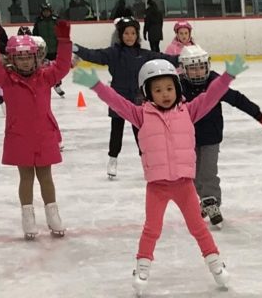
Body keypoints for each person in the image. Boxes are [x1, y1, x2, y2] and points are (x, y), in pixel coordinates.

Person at [72, 56, 249, 296]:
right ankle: (142, 266)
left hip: (184, 184)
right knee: (152, 229)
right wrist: (96, 85)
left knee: (198, 228)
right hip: (157, 187)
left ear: (177, 88)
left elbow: (211, 96)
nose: (165, 94)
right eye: (157, 90)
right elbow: (116, 102)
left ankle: (215, 263)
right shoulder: (140, 115)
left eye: (169, 88)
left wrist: (228, 76)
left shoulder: (189, 111)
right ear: (147, 92)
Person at [0, 19, 73, 240]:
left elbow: (62, 66)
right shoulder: (7, 80)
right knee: (26, 178)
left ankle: (53, 215)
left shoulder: (45, 78)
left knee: (46, 176)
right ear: (12, 59)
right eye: (19, 58)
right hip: (19, 136)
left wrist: (63, 41)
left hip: (44, 135)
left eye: (28, 57)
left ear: (36, 57)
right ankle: (28, 217)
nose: (24, 62)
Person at [73, 17, 181, 179]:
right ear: (120, 35)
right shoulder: (113, 53)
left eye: (133, 33)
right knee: (117, 130)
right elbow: (93, 55)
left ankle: (146, 161)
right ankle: (113, 159)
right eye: (126, 33)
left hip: (138, 99)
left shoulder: (143, 54)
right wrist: (76, 48)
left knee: (142, 131)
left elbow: (162, 57)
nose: (129, 36)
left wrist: (181, 59)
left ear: (137, 35)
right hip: (118, 97)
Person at [179, 44, 262, 229]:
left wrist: (259, 115)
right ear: (184, 69)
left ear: (208, 66)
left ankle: (212, 202)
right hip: (187, 138)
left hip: (211, 136)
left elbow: (237, 99)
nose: (198, 72)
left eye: (201, 67)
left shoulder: (215, 82)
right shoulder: (179, 86)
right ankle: (206, 201)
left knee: (208, 172)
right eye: (193, 68)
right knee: (194, 176)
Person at [32, 2, 66, 97]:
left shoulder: (56, 21)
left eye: (48, 11)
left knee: (56, 68)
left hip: (55, 49)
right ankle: (43, 85)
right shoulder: (38, 22)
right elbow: (35, 36)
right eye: (45, 11)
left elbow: (61, 34)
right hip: (43, 50)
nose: (46, 13)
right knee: (43, 68)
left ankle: (57, 84)